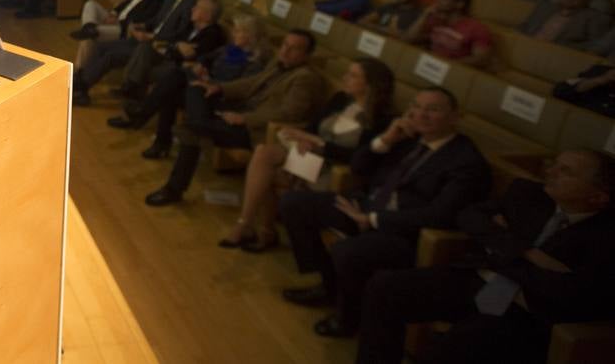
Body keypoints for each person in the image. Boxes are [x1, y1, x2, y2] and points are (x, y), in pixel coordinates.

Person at [356, 149, 615, 364]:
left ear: (598, 197)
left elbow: (574, 294)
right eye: (555, 164)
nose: (550, 172)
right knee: (384, 287)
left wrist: (501, 249)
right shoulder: (527, 193)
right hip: (481, 278)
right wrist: (525, 251)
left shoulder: (605, 237)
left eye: (566, 172)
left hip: (526, 310)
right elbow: (470, 216)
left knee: (453, 348)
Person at [279, 87, 491, 339]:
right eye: (416, 107)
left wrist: (373, 220)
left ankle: (349, 319)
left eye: (432, 110)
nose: (421, 115)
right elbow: (358, 165)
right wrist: (385, 140)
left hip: (404, 230)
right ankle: (329, 284)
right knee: (293, 203)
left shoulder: (465, 161)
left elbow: (440, 215)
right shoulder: (406, 137)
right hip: (366, 206)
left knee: (348, 252)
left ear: (455, 117)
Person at [219, 57, 395, 253]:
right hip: (310, 159)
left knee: (265, 174)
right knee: (263, 154)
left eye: (353, 75)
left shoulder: (381, 120)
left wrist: (318, 144)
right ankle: (248, 224)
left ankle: (261, 231)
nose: (345, 78)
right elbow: (313, 127)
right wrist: (305, 139)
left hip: (334, 170)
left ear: (370, 85)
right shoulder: (340, 99)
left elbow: (357, 157)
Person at [144, 29, 327, 206]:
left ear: (306, 55)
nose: (285, 50)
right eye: (285, 45)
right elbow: (250, 84)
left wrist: (246, 118)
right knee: (193, 88)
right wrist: (219, 87)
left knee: (192, 130)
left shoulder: (305, 78)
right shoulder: (277, 64)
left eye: (294, 48)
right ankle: (193, 127)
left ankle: (173, 188)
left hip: (253, 129)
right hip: (238, 109)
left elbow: (289, 113)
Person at [107, 0, 234, 143]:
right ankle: (132, 93)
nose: (192, 9)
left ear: (207, 15)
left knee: (148, 71)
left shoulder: (213, 34)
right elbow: (176, 42)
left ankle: (134, 101)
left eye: (197, 8)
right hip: (170, 59)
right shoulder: (191, 26)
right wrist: (177, 47)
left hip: (182, 68)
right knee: (145, 47)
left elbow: (191, 54)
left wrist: (177, 49)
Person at [71, 0, 196, 104]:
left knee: (111, 56)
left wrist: (152, 36)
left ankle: (82, 88)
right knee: (101, 47)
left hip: (155, 46)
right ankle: (81, 79)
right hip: (143, 38)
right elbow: (156, 20)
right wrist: (141, 26)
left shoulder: (189, 5)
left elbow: (180, 33)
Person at [405, 0, 495, 70]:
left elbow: (481, 59)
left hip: (453, 70)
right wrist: (425, 15)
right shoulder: (435, 20)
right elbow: (409, 39)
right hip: (427, 65)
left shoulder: (477, 28)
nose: (437, 2)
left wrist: (446, 65)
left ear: (460, 4)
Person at [519, 0, 612, 49]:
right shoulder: (545, 7)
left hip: (556, 55)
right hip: (525, 46)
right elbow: (524, 26)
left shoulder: (595, 18)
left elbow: (594, 46)